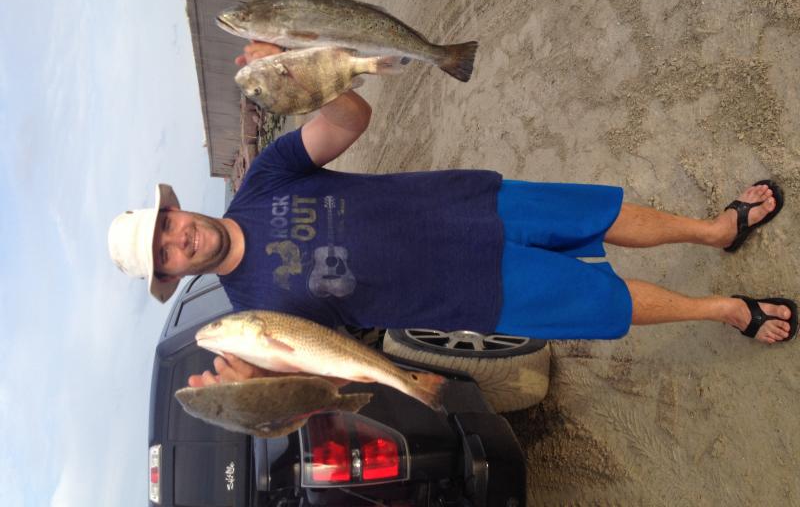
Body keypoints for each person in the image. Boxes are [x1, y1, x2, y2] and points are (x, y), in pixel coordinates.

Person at [108, 42, 797, 387]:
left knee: (601, 213)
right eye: (163, 254)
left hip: (466, 203)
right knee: (606, 302)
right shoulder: (248, 316)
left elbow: (350, 119)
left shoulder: (261, 180)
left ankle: (716, 231)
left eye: (165, 225)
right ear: (171, 275)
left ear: (175, 209)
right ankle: (724, 310)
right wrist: (256, 387)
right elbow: (327, 372)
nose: (177, 239)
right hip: (470, 293)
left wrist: (296, 72)